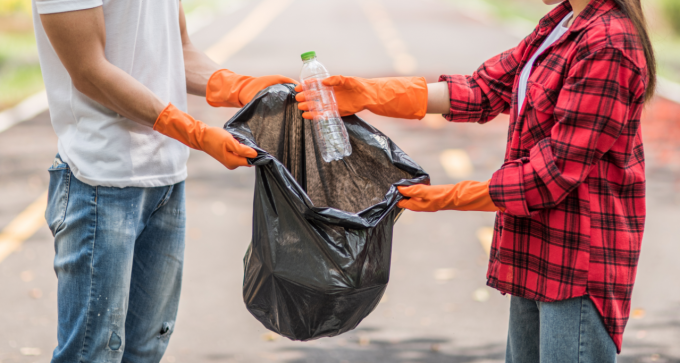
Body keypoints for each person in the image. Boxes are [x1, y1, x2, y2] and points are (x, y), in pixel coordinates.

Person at [296, 0, 654, 361]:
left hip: (577, 265)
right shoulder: (561, 23)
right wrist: (369, 94)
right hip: (535, 253)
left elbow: (553, 174)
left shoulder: (609, 42)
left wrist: (447, 197)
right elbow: (483, 90)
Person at [33, 0, 296, 361]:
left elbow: (179, 49)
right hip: (100, 181)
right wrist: (195, 133)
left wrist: (238, 87)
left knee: (145, 350)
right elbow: (89, 71)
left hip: (165, 179)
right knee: (91, 353)